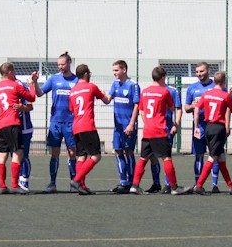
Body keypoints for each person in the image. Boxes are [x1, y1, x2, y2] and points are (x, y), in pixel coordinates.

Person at [128, 66, 185, 195]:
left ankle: (135, 185)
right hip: (160, 129)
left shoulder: (145, 92)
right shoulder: (164, 92)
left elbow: (141, 110)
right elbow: (171, 108)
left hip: (147, 129)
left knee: (143, 158)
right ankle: (174, 187)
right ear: (163, 77)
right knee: (166, 158)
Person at [0, 62, 37, 194]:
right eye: (14, 71)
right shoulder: (15, 85)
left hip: (1, 126)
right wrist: (31, 86)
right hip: (13, 123)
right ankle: (15, 185)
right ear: (9, 72)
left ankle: (2, 186)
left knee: (3, 155)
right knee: (18, 153)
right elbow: (32, 97)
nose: (15, 73)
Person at [189, 71, 232, 195]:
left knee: (221, 157)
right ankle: (199, 185)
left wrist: (196, 126)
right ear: (224, 82)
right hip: (218, 128)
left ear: (214, 81)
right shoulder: (225, 96)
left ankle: (231, 186)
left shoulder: (206, 94)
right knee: (213, 157)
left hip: (208, 127)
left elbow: (196, 109)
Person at [32, 52, 78, 193]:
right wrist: (34, 82)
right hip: (56, 122)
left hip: (71, 122)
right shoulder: (53, 79)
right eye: (58, 64)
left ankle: (74, 183)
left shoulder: (77, 80)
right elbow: (39, 93)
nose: (60, 66)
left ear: (69, 63)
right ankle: (52, 183)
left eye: (62, 64)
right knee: (54, 153)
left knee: (72, 152)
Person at [69, 64, 109, 195]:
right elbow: (106, 100)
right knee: (96, 155)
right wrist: (106, 94)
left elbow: (72, 109)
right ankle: (76, 180)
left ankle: (82, 186)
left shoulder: (73, 91)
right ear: (86, 74)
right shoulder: (91, 87)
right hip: (88, 126)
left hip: (76, 126)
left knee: (81, 156)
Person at [104, 60, 140, 194]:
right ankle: (123, 182)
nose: (114, 73)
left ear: (124, 70)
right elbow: (108, 99)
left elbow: (137, 105)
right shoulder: (115, 84)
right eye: (113, 70)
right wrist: (100, 95)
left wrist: (131, 123)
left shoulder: (133, 85)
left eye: (116, 70)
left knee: (129, 152)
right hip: (117, 127)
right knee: (117, 151)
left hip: (128, 125)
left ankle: (132, 182)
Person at [184, 62, 221, 192]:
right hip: (198, 126)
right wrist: (193, 106)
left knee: (214, 154)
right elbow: (186, 108)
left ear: (208, 71)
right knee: (198, 154)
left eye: (202, 71)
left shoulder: (216, 86)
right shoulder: (192, 88)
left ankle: (214, 184)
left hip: (214, 125)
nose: (199, 74)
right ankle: (198, 183)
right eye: (197, 72)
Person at [16, 80, 35, 192]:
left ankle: (25, 180)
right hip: (11, 128)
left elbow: (30, 106)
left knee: (24, 155)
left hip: (24, 128)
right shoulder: (3, 86)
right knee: (14, 156)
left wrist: (21, 107)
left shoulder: (21, 86)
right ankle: (18, 178)